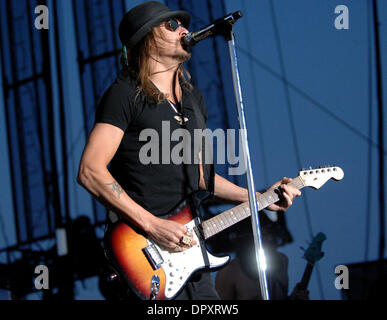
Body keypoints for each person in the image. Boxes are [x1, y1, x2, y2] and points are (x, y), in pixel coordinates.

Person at [77, 1, 301, 300]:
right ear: (147, 38)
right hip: (144, 252)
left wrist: (260, 199)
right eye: (171, 25)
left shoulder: (193, 99)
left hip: (191, 252)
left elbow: (200, 176)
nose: (184, 28)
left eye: (182, 23)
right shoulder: (126, 93)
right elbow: (90, 170)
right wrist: (153, 225)